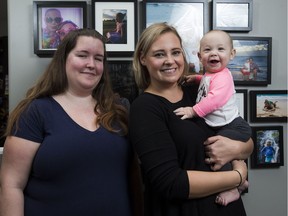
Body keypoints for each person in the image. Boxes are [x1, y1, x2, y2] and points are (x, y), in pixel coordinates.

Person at [0, 29, 143, 216]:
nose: (91, 64)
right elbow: (11, 184)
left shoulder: (119, 110)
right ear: (64, 59)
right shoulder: (35, 112)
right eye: (82, 55)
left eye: (98, 58)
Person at [129, 23, 253, 216]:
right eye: (159, 54)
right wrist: (238, 175)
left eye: (176, 52)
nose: (170, 61)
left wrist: (237, 151)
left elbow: (245, 138)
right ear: (143, 59)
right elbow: (170, 183)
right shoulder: (144, 108)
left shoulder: (199, 90)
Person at [174, 30, 251, 206]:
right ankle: (241, 182)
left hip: (233, 125)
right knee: (223, 152)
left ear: (232, 54)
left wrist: (193, 111)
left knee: (221, 153)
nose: (214, 53)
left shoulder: (224, 76)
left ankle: (234, 187)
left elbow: (214, 99)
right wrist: (197, 78)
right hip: (222, 125)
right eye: (208, 50)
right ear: (200, 56)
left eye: (220, 49)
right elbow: (208, 82)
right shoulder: (211, 75)